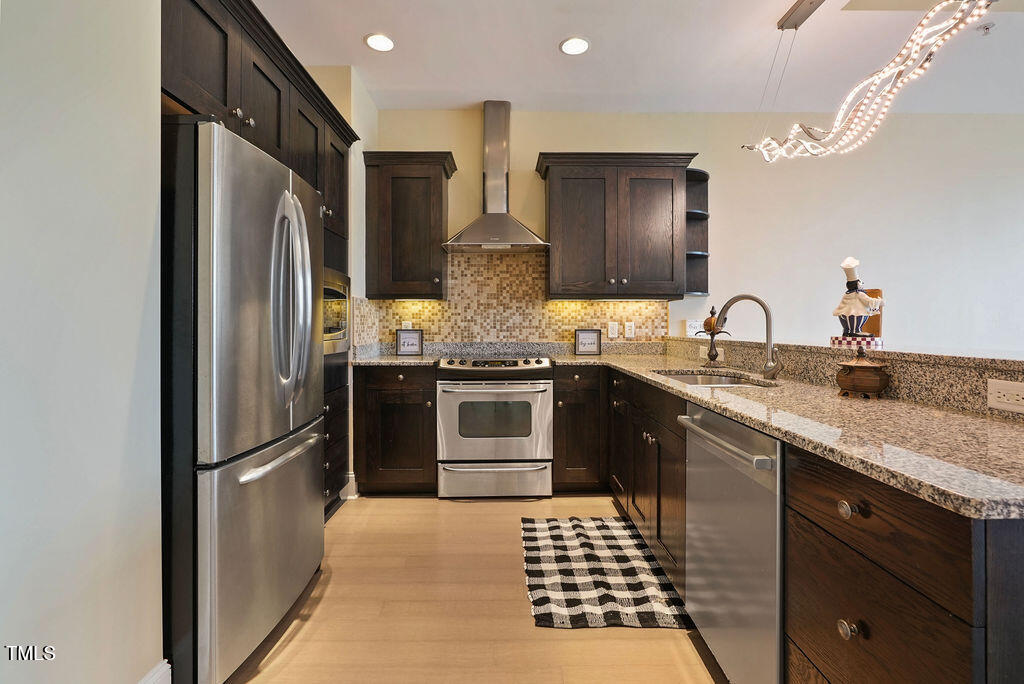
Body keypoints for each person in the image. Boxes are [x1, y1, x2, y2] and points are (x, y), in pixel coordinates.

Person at [832, 257, 884, 337]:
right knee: (863, 314)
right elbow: (868, 301)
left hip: (843, 317)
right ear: (858, 284)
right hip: (854, 317)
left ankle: (847, 331)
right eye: (860, 282)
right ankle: (855, 331)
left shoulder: (847, 293)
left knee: (854, 317)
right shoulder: (859, 294)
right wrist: (879, 302)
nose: (862, 284)